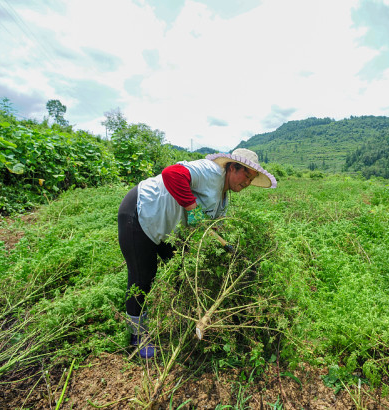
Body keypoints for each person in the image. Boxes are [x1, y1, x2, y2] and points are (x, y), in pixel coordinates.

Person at [117, 148, 277, 358]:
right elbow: (171, 174)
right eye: (246, 175)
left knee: (182, 270)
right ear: (231, 167)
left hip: (168, 228)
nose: (247, 183)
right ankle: (138, 336)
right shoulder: (209, 171)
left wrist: (225, 245)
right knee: (143, 276)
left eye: (251, 179)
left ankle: (181, 318)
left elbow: (208, 227)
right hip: (140, 212)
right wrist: (192, 209)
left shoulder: (223, 199)